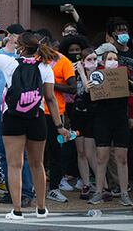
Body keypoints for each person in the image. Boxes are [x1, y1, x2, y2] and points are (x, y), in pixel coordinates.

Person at [0, 13, 70, 221]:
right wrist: (58, 125)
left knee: (14, 164)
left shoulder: (9, 63)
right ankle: (41, 208)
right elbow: (50, 99)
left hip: (13, 117)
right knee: (37, 164)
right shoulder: (46, 67)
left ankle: (17, 210)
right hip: (37, 117)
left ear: (21, 48)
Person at [0, 24, 29, 201]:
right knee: (3, 152)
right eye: (15, 35)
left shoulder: (24, 57)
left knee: (21, 153)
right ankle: (12, 191)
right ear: (9, 36)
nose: (17, 39)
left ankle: (25, 191)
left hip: (18, 108)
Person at [87, 50, 132, 206]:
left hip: (120, 120)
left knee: (122, 158)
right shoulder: (97, 76)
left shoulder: (125, 76)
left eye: (115, 59)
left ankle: (124, 193)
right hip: (102, 120)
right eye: (109, 59)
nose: (112, 61)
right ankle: (99, 191)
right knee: (101, 157)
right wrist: (89, 87)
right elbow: (89, 96)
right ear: (103, 61)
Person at [40, 33, 77, 203]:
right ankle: (35, 187)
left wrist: (51, 85)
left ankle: (54, 188)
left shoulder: (64, 62)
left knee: (56, 152)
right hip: (36, 112)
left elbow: (72, 88)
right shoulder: (35, 60)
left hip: (56, 114)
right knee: (37, 153)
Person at [71, 48, 100, 200]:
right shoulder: (76, 73)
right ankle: (86, 184)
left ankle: (103, 185)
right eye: (89, 59)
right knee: (80, 152)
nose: (92, 62)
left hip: (92, 116)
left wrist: (83, 71)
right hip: (77, 115)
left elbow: (89, 89)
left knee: (91, 153)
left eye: (94, 59)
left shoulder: (99, 74)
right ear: (82, 61)